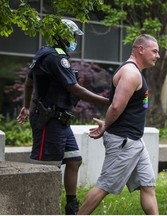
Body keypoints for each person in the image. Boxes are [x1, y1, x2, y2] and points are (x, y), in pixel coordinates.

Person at [16, 18, 109, 215]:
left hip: (60, 120)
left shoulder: (44, 53)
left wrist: (25, 107)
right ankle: (41, 208)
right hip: (49, 120)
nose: (75, 40)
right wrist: (106, 101)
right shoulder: (56, 58)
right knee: (47, 167)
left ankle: (71, 206)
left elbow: (28, 82)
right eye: (72, 36)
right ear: (62, 36)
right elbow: (74, 88)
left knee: (74, 160)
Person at [77, 34, 160, 215]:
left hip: (135, 141)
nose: (157, 55)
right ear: (141, 49)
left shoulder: (136, 72)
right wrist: (106, 125)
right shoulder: (131, 73)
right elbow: (115, 106)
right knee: (104, 186)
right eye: (154, 51)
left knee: (148, 185)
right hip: (124, 141)